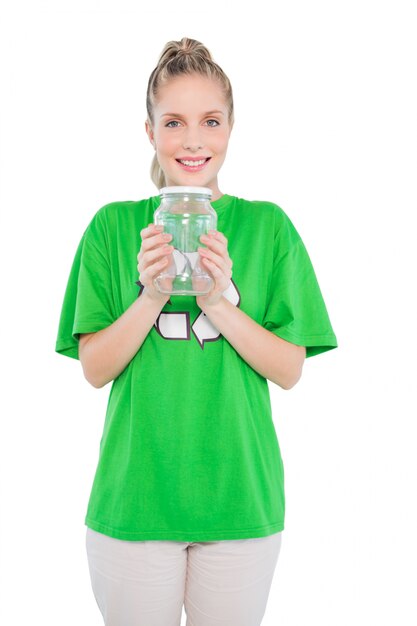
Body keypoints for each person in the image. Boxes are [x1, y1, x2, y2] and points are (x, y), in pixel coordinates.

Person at [55, 36, 338, 626]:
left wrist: (217, 299)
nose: (192, 141)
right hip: (134, 503)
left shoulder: (269, 228)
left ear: (231, 128)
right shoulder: (112, 228)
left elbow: (289, 370)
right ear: (150, 131)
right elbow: (94, 368)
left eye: (210, 121)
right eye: (174, 122)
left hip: (239, 501)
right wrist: (153, 293)